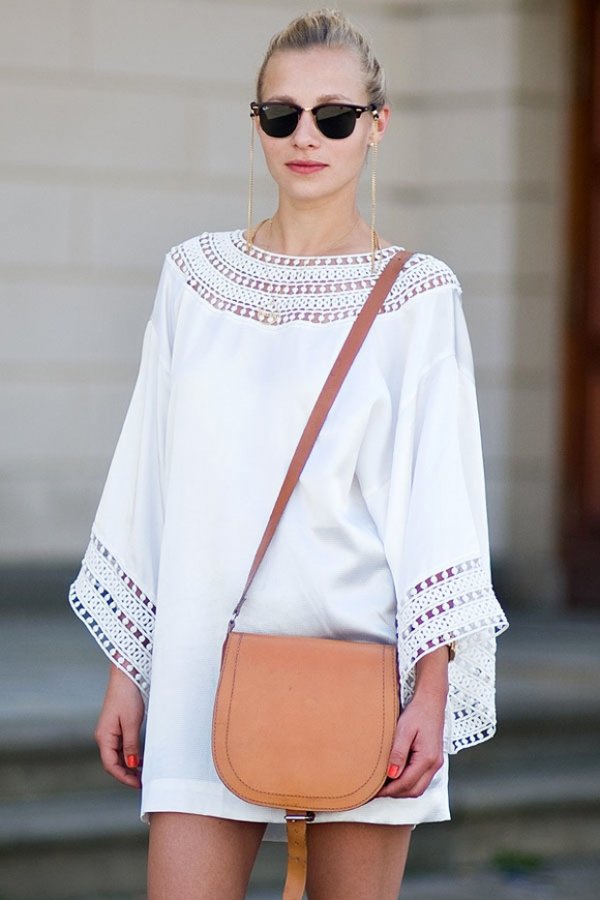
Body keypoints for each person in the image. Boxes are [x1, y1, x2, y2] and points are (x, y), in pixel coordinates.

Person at [69, 9, 508, 899]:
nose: (306, 136)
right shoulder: (193, 279)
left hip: (363, 674)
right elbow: (146, 483)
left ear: (375, 126)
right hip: (198, 663)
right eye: (282, 115)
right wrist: (129, 669)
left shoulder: (417, 298)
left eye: (334, 116)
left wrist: (432, 692)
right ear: (259, 125)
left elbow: (440, 503)